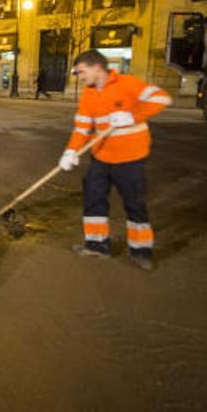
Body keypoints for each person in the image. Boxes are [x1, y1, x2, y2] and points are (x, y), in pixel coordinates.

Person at [58, 50, 171, 270]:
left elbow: (162, 98)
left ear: (96, 67)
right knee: (93, 198)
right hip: (101, 157)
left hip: (130, 158)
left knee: (134, 204)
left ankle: (141, 251)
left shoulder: (127, 83)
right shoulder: (88, 95)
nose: (80, 77)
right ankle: (97, 245)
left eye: (81, 72)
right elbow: (81, 127)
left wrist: (133, 115)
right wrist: (70, 152)